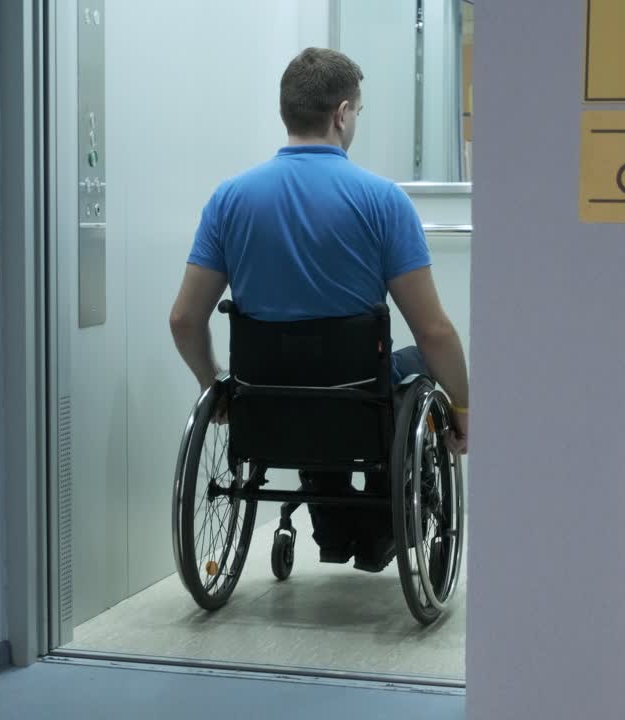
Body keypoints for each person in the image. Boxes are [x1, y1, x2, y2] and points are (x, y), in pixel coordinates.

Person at [168, 47, 470, 573]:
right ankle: (382, 508)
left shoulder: (229, 198)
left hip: (264, 396)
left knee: (315, 385)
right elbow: (436, 330)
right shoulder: (382, 201)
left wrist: (211, 383)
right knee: (419, 358)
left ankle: (333, 518)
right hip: (356, 398)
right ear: (343, 113)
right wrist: (464, 409)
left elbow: (183, 319)